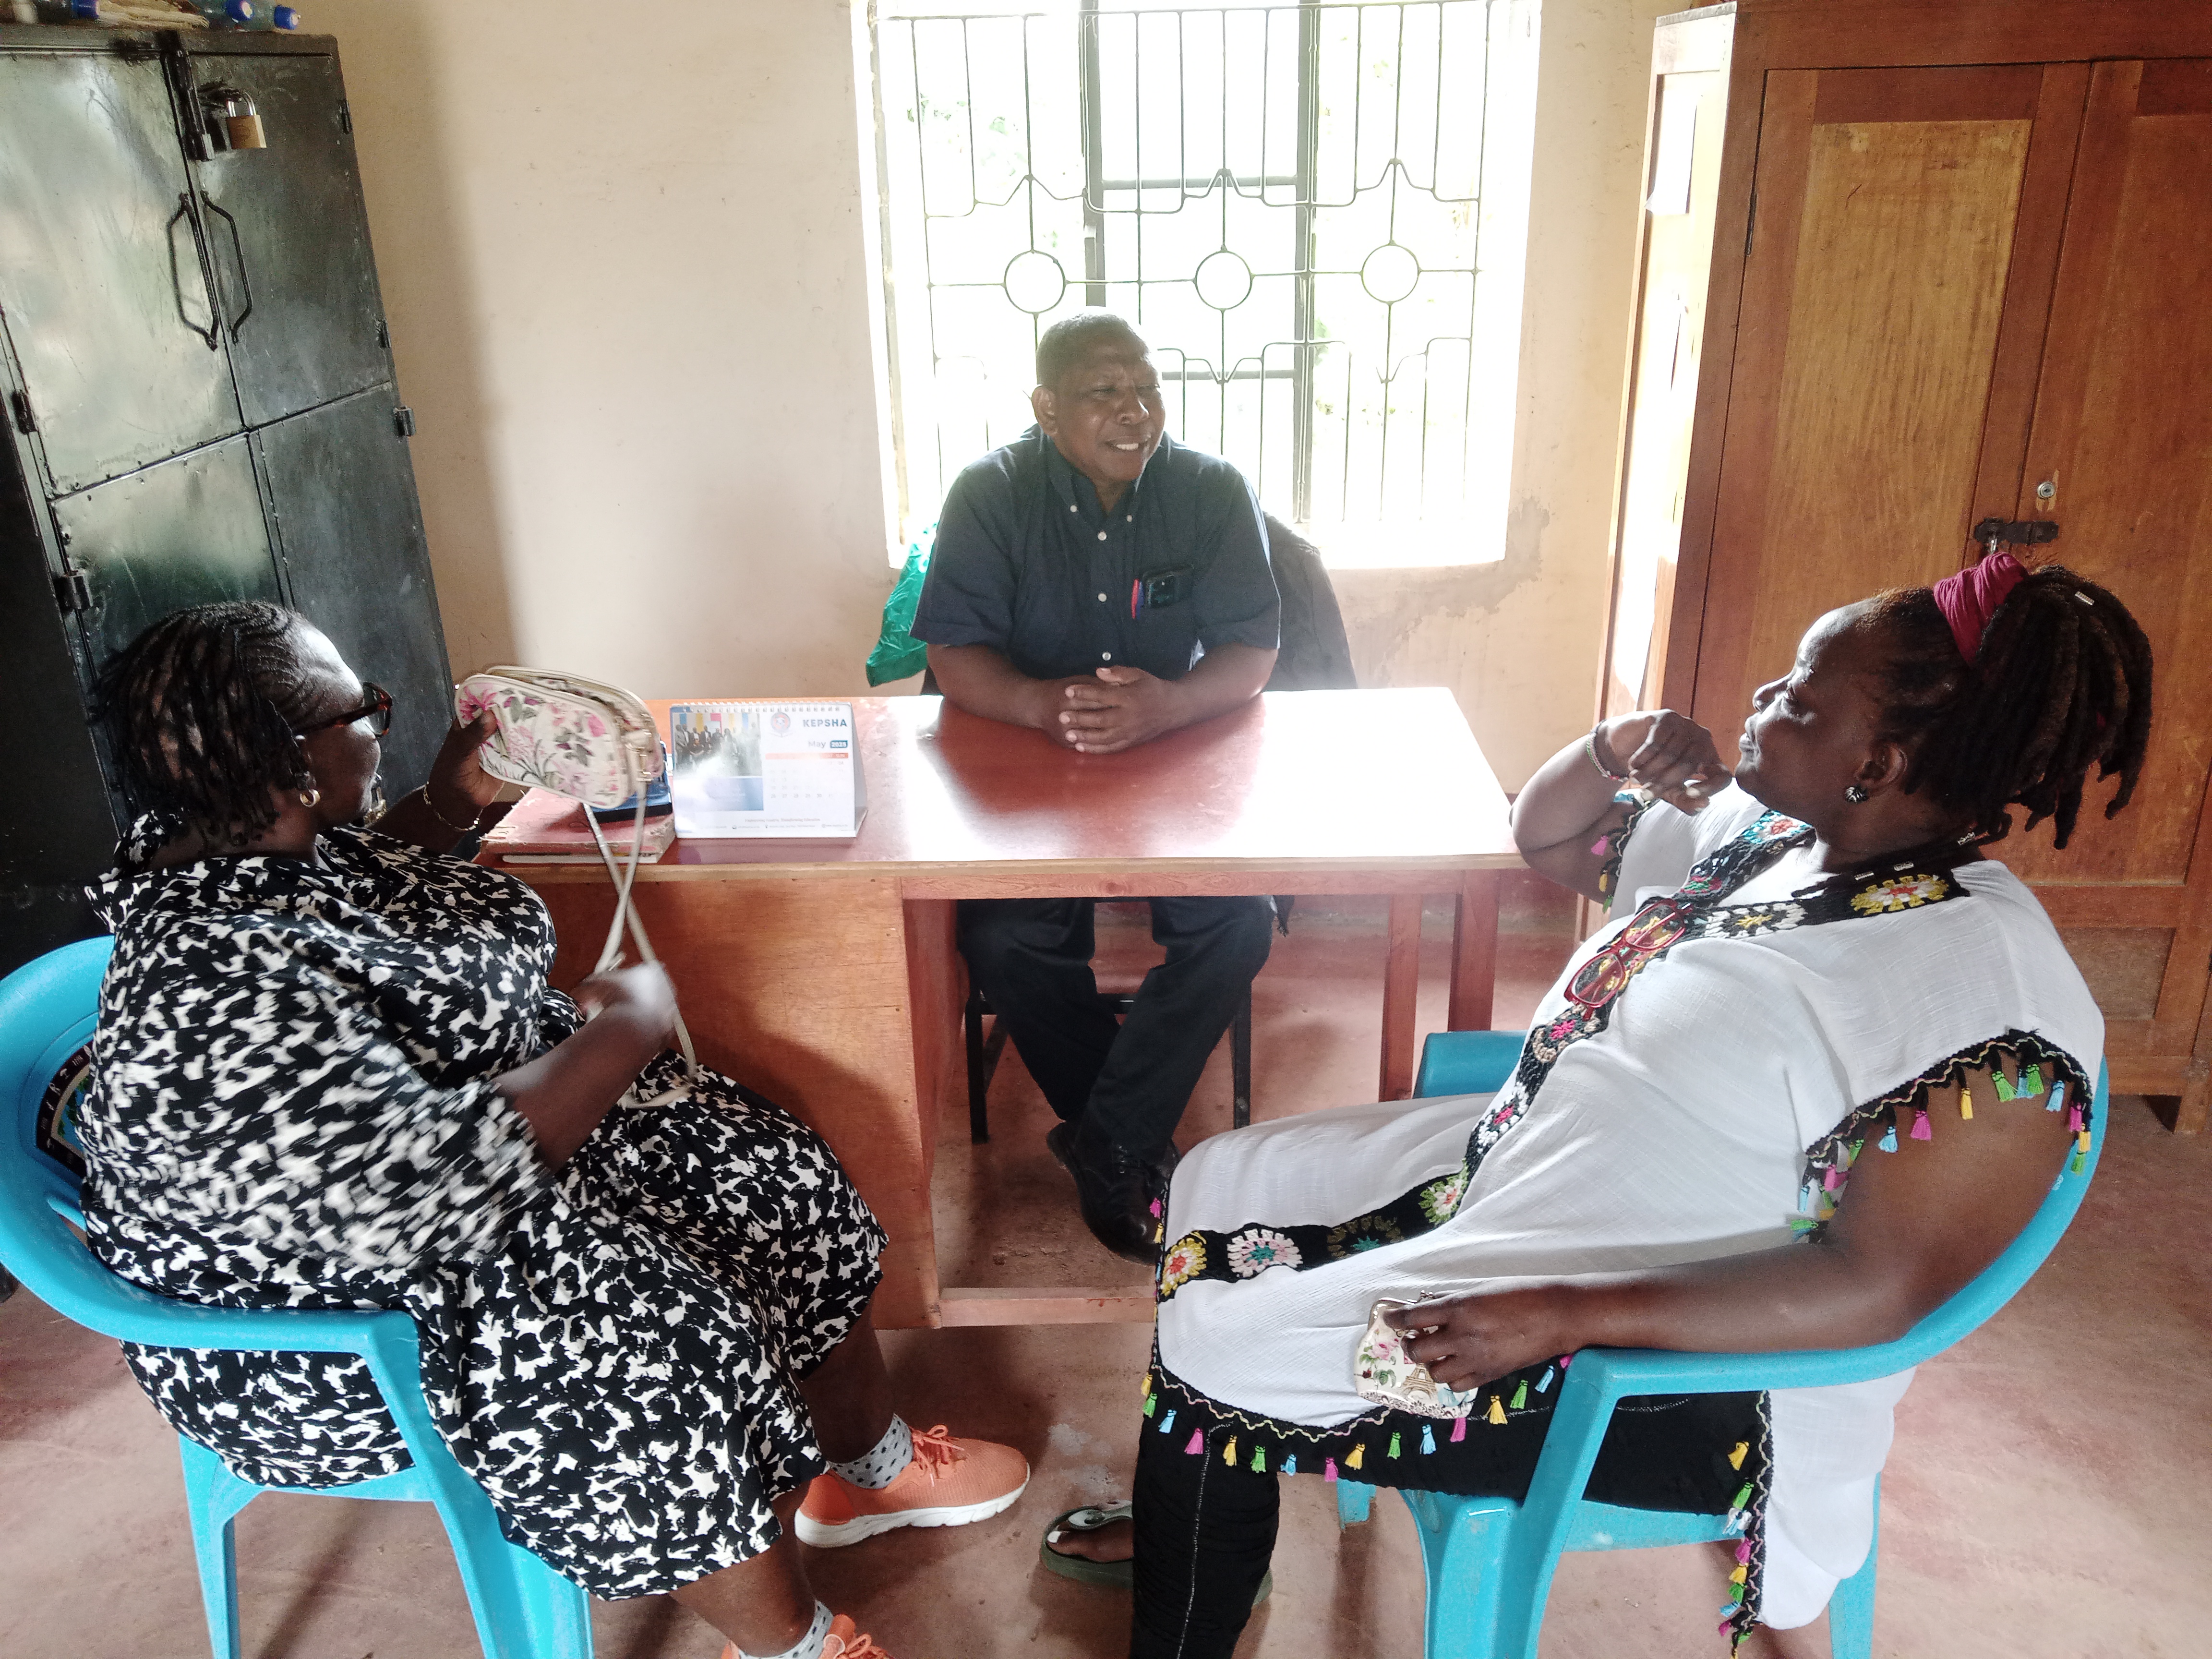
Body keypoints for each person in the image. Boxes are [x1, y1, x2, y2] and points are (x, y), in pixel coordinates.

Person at [1043, 554, 2151, 1658]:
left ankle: (1193, 1571)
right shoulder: (1774, 838)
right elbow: (1553, 837)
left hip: (1666, 1373)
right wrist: (1619, 744)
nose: (1765, 698)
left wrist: (1563, 1309)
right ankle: (1207, 1523)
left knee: (1220, 1345)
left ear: (1881, 761)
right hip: (1522, 1199)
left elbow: (1880, 1288)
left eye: (1803, 698)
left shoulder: (1984, 1000)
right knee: (1215, 1185)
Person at [77, 602, 1030, 1659]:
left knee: (757, 1166)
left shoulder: (245, 836)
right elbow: (432, 1202)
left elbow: (348, 906)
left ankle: (861, 1473)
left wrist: (449, 804)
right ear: (289, 765)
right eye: (366, 710)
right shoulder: (208, 996)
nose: (379, 726)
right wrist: (618, 1027)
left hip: (436, 1192)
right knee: (649, 1349)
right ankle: (792, 1645)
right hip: (319, 1327)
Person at [911, 312, 1282, 1262]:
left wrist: (1170, 706)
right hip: (1028, 753)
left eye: (1148, 389)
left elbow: (1253, 647)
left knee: (1236, 923)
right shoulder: (991, 493)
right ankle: (1126, 1142)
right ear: (1046, 407)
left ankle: (1107, 1141)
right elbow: (954, 651)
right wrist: (1039, 706)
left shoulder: (1207, 489)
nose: (1135, 413)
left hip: (1174, 750)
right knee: (1003, 936)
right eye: (1104, 392)